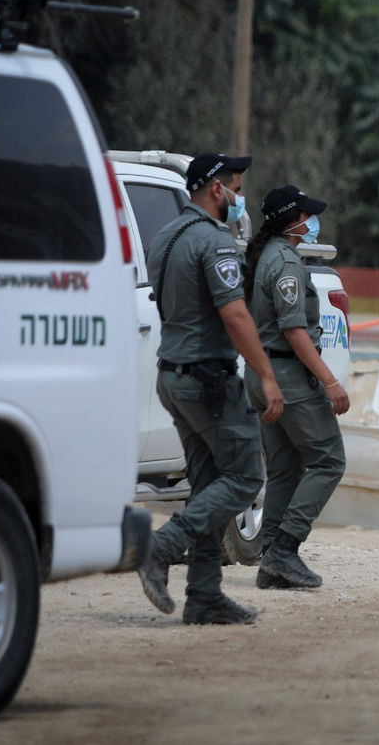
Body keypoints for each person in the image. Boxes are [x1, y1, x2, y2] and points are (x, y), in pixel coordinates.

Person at [137, 153, 283, 625]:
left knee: (206, 486)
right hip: (208, 381)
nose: (240, 198)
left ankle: (204, 596)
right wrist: (265, 374)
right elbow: (235, 314)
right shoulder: (213, 241)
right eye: (235, 188)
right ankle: (160, 547)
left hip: (173, 376)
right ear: (215, 190)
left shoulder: (165, 236)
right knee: (244, 478)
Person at [243, 185, 350, 591]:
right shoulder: (285, 263)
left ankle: (272, 559)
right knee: (328, 460)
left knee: (286, 467)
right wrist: (330, 380)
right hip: (287, 377)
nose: (312, 221)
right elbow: (292, 329)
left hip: (263, 374)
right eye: (306, 214)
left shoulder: (264, 257)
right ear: (292, 221)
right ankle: (285, 549)